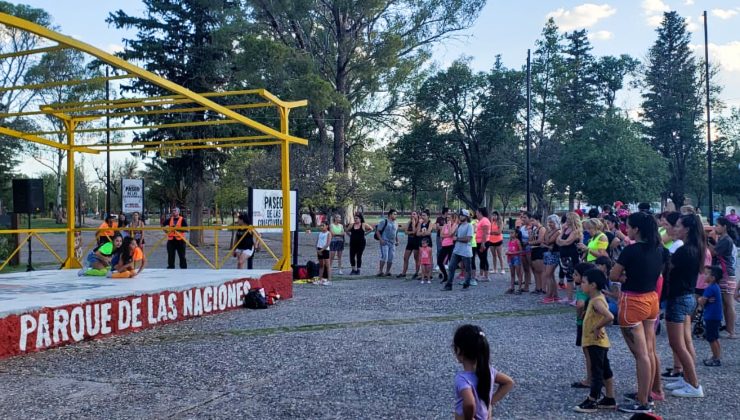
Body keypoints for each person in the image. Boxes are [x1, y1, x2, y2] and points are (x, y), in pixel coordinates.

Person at [610, 212, 666, 414]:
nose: (627, 230)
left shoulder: (631, 251)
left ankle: (643, 401)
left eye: (629, 227)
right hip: (651, 299)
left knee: (640, 354)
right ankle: (650, 391)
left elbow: (614, 274)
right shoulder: (659, 249)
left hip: (632, 301)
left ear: (637, 229)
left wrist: (626, 278)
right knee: (650, 351)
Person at [661, 214, 704, 398]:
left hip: (679, 298)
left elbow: (667, 269)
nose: (674, 228)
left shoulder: (684, 251)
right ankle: (686, 378)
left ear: (686, 229)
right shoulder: (694, 248)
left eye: (678, 226)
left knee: (677, 344)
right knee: (684, 342)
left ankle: (694, 384)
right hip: (686, 297)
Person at [573, 269, 617, 413]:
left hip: (596, 342)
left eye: (584, 282)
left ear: (593, 285)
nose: (581, 285)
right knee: (605, 370)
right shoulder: (595, 298)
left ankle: (593, 400)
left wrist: (597, 327)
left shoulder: (597, 301)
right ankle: (610, 398)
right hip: (599, 342)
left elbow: (610, 316)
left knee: (597, 371)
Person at [452, 324, 514, 420]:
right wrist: (489, 403)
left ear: (459, 350)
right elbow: (509, 382)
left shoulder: (462, 379)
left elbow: (469, 403)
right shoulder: (489, 371)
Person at [709, 217, 737, 338]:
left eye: (718, 225)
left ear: (724, 227)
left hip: (727, 274)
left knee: (729, 303)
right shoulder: (723, 239)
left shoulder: (726, 240)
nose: (716, 227)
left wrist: (706, 242)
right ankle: (729, 329)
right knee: (726, 304)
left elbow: (714, 252)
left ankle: (732, 331)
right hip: (726, 273)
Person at [571, 262, 596, 390]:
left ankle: (589, 379)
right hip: (592, 322)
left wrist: (579, 315)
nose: (573, 276)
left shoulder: (582, 290)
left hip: (583, 323)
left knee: (588, 352)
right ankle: (594, 377)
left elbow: (580, 304)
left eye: (576, 274)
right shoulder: (593, 290)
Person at [442, 209, 474, 291]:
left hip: (466, 251)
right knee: (451, 267)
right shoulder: (459, 225)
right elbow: (452, 235)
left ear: (466, 217)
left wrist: (457, 239)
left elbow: (468, 238)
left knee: (467, 269)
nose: (460, 217)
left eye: (462, 215)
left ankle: (466, 285)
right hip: (457, 250)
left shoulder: (469, 226)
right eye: (460, 215)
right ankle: (449, 285)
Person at [699, 266, 724, 367]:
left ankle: (716, 358)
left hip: (711, 316)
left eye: (706, 274)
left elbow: (702, 302)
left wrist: (699, 299)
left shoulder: (709, 289)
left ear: (713, 278)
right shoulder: (716, 287)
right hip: (716, 316)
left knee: (711, 338)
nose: (704, 276)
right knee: (715, 337)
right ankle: (716, 356)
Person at [558, 212, 583, 305]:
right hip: (564, 255)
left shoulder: (576, 231)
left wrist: (561, 241)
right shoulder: (566, 229)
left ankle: (578, 298)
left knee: (575, 277)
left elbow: (567, 242)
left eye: (568, 219)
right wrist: (562, 232)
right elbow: (558, 240)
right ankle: (569, 297)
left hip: (572, 256)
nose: (566, 221)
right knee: (568, 277)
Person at [542, 214, 561, 303]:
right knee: (551, 275)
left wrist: (545, 243)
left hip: (554, 254)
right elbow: (545, 240)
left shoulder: (558, 231)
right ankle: (555, 295)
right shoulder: (550, 231)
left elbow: (548, 241)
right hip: (548, 253)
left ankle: (549, 295)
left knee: (548, 275)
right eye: (549, 222)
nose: (550, 224)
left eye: (552, 222)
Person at [376, 209, 399, 277]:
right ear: (390, 215)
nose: (395, 216)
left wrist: (397, 240)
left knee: (391, 257)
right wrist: (381, 240)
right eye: (394, 214)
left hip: (392, 243)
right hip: (385, 242)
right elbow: (378, 231)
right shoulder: (384, 222)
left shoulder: (396, 223)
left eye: (396, 214)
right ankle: (380, 271)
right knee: (385, 256)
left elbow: (396, 233)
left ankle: (387, 271)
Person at [398, 211, 420, 279]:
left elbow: (415, 232)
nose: (412, 215)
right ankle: (404, 273)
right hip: (410, 242)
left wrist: (413, 224)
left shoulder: (419, 223)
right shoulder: (409, 222)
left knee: (416, 258)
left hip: (416, 242)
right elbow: (405, 232)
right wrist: (411, 232)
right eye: (411, 214)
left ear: (417, 215)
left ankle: (416, 273)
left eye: (414, 214)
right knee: (405, 258)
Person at [438, 212, 458, 284]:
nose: (448, 219)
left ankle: (450, 278)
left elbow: (451, 233)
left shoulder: (455, 225)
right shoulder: (445, 225)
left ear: (453, 218)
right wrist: (447, 235)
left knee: (451, 262)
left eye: (449, 218)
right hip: (444, 245)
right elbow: (441, 235)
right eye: (447, 218)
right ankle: (445, 275)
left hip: (451, 245)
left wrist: (449, 226)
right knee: (439, 261)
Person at [474, 207, 491, 282]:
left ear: (480, 212)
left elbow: (485, 233)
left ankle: (486, 276)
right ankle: (481, 274)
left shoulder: (485, 221)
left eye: (477, 212)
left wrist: (483, 243)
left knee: (484, 258)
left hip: (483, 242)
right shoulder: (481, 220)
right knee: (481, 258)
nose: (476, 214)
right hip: (479, 241)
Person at [506, 229, 524, 294]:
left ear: (516, 234)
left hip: (516, 258)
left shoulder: (517, 241)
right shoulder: (510, 241)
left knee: (518, 273)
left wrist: (513, 253)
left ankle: (519, 288)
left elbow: (521, 251)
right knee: (512, 274)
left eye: (512, 233)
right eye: (510, 233)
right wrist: (508, 252)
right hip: (510, 258)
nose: (510, 234)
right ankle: (512, 287)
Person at [518, 212, 533, 293]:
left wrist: (527, 242)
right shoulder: (522, 227)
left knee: (533, 267)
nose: (523, 219)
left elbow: (532, 239)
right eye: (522, 217)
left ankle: (539, 287)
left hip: (530, 249)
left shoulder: (533, 227)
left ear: (530, 218)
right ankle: (526, 286)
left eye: (525, 217)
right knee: (526, 268)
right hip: (523, 249)